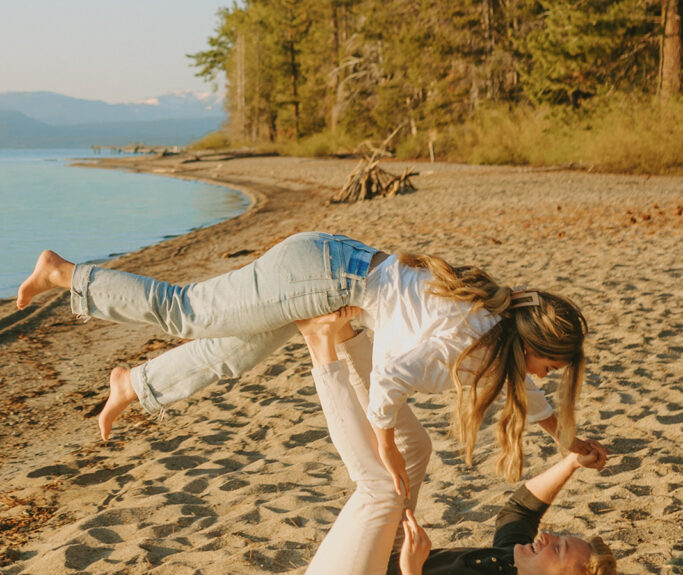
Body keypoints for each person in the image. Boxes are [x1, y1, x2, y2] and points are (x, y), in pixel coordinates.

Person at [17, 231, 606, 488]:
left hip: (331, 274)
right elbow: (391, 379)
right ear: (531, 345)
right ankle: (64, 273)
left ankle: (133, 384)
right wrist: (385, 448)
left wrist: (566, 440)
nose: (547, 377)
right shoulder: (469, 336)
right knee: (186, 310)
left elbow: (515, 389)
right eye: (551, 367)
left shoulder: (497, 334)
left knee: (232, 357)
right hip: (319, 278)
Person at [292, 314, 617, 575]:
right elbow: (520, 510)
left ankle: (320, 348)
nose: (545, 538)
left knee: (380, 488)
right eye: (557, 538)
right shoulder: (516, 561)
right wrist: (573, 461)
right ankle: (346, 338)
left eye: (557, 549)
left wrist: (413, 573)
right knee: (415, 448)